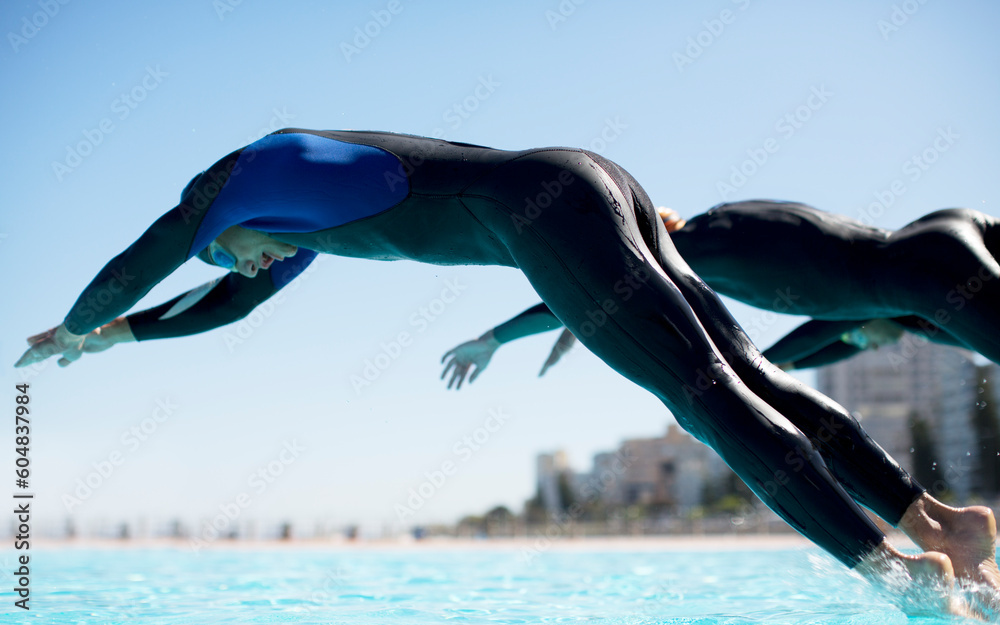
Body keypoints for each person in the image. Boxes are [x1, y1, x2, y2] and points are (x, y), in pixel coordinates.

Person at [14, 130, 997, 604]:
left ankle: (891, 571)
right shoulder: (299, 227)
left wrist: (71, 325)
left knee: (700, 397)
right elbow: (221, 306)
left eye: (242, 255)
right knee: (743, 371)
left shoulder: (226, 188)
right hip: (580, 180)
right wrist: (121, 340)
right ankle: (940, 521)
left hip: (543, 211)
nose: (258, 269)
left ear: (222, 229)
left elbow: (137, 264)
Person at [441, 201, 1000, 380]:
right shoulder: (868, 310)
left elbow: (597, 286)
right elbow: (783, 363)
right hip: (939, 250)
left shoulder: (698, 243)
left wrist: (495, 338)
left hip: (933, 271)